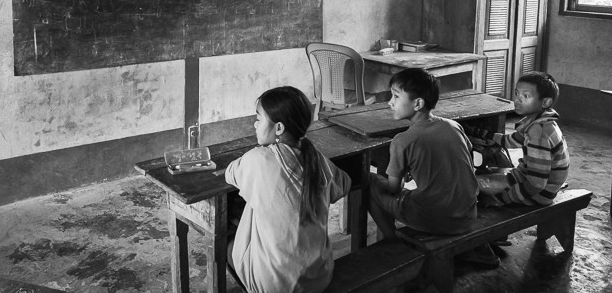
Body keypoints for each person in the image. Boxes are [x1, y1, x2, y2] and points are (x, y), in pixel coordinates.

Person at [225, 86, 351, 293]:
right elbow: (344, 184)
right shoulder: (316, 158)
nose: (255, 124)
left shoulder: (258, 160)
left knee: (226, 233)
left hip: (275, 285)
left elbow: (230, 173)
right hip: (318, 277)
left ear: (279, 128)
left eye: (259, 118)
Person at [367, 68, 478, 241]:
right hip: (467, 216)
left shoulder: (403, 140)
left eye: (396, 96)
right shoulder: (454, 126)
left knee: (369, 182)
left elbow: (393, 189)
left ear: (417, 103)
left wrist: (398, 175)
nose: (390, 102)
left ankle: (391, 241)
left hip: (435, 219)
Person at [466, 71, 570, 207]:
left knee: (469, 184)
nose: (517, 100)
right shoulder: (539, 121)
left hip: (539, 194)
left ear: (545, 102)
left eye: (526, 96)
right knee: (481, 174)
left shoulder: (539, 134)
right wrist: (480, 133)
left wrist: (503, 199)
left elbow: (536, 184)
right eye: (516, 93)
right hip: (528, 177)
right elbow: (509, 141)